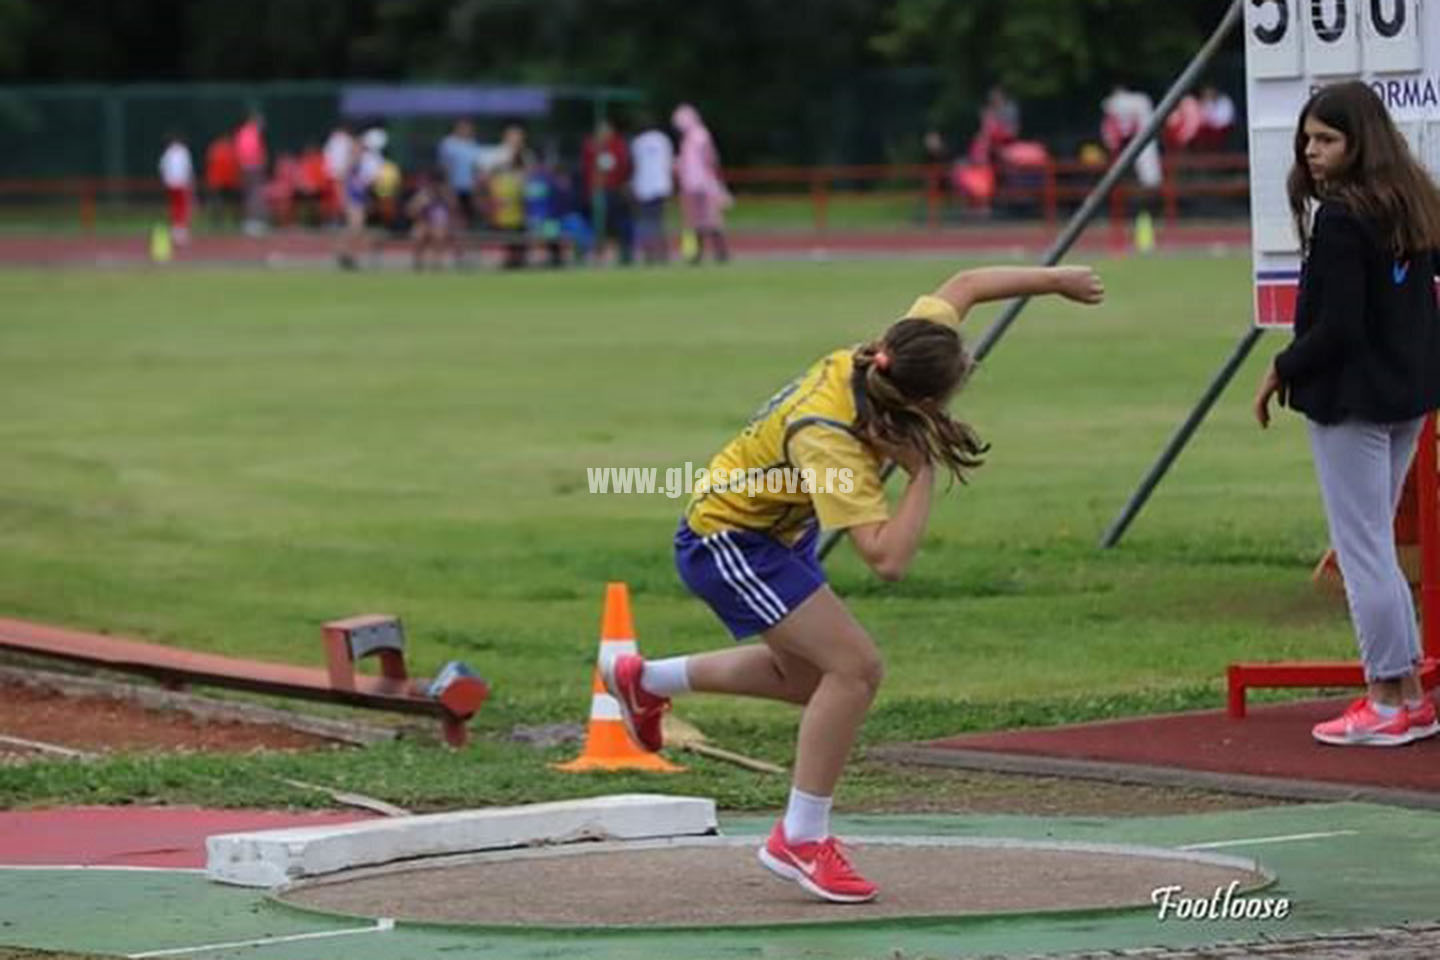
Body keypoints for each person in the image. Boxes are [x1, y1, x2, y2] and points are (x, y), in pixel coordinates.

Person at [603, 263, 1105, 902]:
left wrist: (1056, 280)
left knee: (817, 683)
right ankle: (800, 839)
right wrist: (920, 473)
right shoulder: (832, 441)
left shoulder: (890, 354)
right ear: (923, 402)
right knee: (857, 670)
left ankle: (643, 681)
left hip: (774, 533)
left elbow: (968, 283)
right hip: (728, 541)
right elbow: (887, 559)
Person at [1253, 81, 1440, 747]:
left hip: (1354, 401)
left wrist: (1282, 368)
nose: (1312, 152)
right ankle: (1412, 693)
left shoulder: (1341, 217)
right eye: (1306, 140)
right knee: (1376, 546)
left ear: (1360, 141)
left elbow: (1338, 328)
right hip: (1407, 395)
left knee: (1363, 549)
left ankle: (1386, 696)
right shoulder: (1414, 202)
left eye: (1327, 139)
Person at [672, 103, 731, 264]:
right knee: (695, 221)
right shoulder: (691, 138)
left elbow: (709, 159)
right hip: (693, 184)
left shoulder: (699, 135)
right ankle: (696, 254)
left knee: (708, 219)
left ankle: (719, 252)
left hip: (701, 184)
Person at [581, 117, 634, 265]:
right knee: (598, 222)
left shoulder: (617, 145)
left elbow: (623, 167)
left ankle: (615, 252)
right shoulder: (591, 146)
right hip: (596, 192)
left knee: (614, 223)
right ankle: (600, 251)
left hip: (613, 191)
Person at [630, 113, 674, 265]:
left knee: (646, 221)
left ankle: (649, 253)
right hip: (661, 186)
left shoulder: (638, 142)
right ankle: (663, 253)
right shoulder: (663, 139)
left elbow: (636, 167)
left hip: (644, 187)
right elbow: (668, 163)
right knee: (659, 221)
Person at [406, 168, 459, 271]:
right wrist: (420, 206)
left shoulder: (447, 194)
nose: (436, 186)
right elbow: (410, 211)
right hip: (425, 224)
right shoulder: (423, 194)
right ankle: (418, 266)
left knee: (438, 234)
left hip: (443, 225)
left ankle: (437, 265)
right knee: (418, 234)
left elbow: (455, 211)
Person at [438, 118, 481, 226]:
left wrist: (477, 187)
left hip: (470, 188)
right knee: (454, 216)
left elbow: (477, 168)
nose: (467, 130)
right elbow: (444, 167)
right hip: (454, 187)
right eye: (464, 127)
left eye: (469, 128)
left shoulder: (473, 144)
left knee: (468, 218)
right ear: (457, 128)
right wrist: (447, 188)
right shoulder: (448, 143)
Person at [234, 110, 268, 236]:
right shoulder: (251, 133)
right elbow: (256, 152)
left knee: (250, 194)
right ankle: (253, 221)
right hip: (252, 167)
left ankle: (252, 221)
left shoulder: (243, 132)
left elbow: (239, 151)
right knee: (254, 194)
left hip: (247, 166)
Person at [158, 132, 194, 245]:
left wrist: (166, 181)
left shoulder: (168, 152)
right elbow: (187, 168)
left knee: (175, 207)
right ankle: (180, 232)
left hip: (171, 184)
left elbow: (162, 167)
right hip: (181, 184)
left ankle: (175, 231)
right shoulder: (183, 151)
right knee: (182, 207)